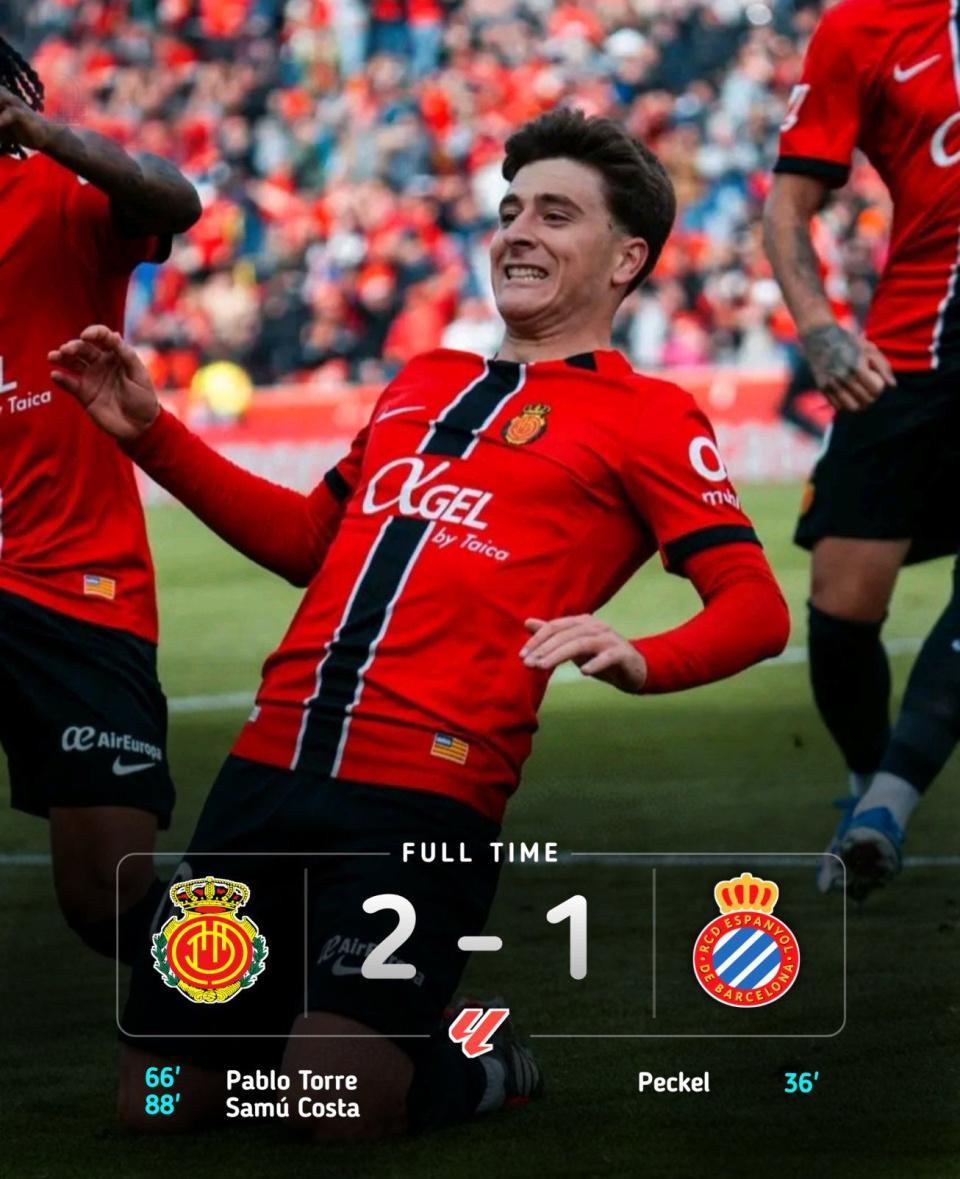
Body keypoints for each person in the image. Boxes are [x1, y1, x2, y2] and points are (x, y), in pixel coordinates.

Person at [52, 109, 789, 1140]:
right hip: (268, 768)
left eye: (556, 215)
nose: (518, 231)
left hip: (423, 794)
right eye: (512, 210)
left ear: (627, 258)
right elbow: (312, 542)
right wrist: (149, 432)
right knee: (159, 1104)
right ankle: (317, 1026)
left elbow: (756, 608)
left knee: (339, 1108)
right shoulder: (421, 380)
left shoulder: (651, 415)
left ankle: (480, 1061)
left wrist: (642, 656)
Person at [0, 35, 201, 959]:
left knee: (107, 899)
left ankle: (339, 988)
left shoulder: (57, 193)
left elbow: (174, 199)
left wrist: (45, 134)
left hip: (70, 584)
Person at [763, 0, 960, 898]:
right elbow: (788, 205)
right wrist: (818, 329)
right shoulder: (866, 26)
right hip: (907, 358)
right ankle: (865, 780)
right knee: (841, 610)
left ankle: (886, 804)